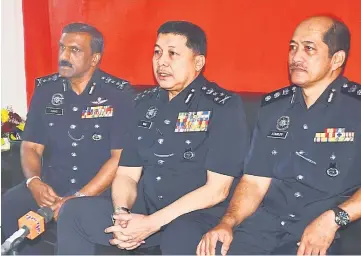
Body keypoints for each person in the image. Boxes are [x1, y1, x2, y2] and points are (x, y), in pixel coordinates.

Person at [56, 20, 250, 255]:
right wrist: (123, 214)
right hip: (146, 209)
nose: (162, 62)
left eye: (173, 54)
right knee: (74, 212)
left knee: (179, 235)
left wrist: (152, 223)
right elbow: (127, 173)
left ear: (198, 62)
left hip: (195, 215)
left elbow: (217, 190)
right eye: (157, 52)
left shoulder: (223, 106)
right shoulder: (142, 104)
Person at [197, 16, 361, 255]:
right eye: (293, 48)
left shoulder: (356, 106)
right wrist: (227, 223)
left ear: (336, 59)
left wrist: (333, 219)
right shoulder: (274, 107)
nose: (296, 57)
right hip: (265, 226)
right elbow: (254, 181)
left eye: (309, 49)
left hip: (326, 230)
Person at [1, 22, 135, 254]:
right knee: (13, 200)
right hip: (51, 187)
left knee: (74, 213)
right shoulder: (46, 90)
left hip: (97, 193)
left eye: (74, 50)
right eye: (62, 48)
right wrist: (34, 182)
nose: (64, 55)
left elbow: (118, 159)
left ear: (94, 59)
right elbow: (31, 146)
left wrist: (79, 197)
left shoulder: (118, 94)